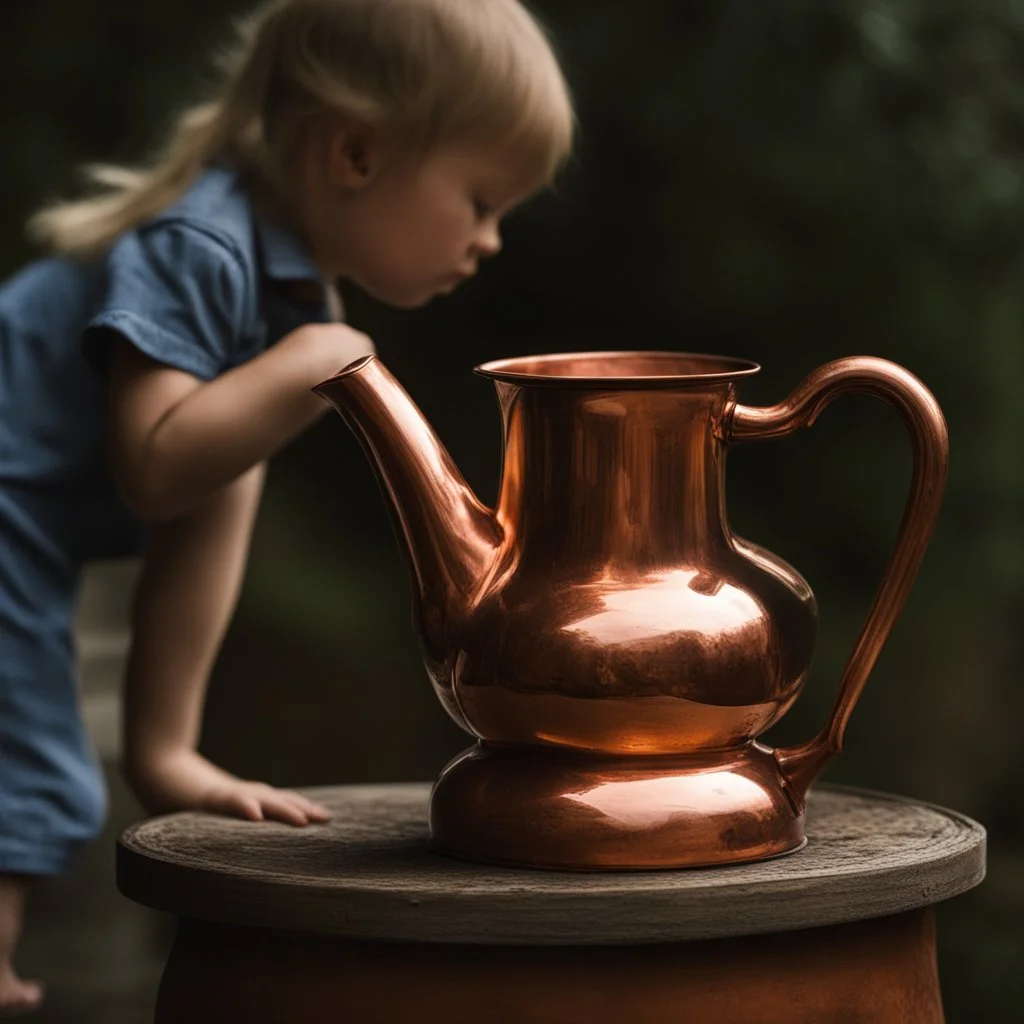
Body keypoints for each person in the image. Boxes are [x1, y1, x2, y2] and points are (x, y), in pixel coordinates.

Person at [0, 0, 574, 1011]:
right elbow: (155, 466)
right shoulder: (203, 250)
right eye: (480, 199)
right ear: (355, 151)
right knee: (31, 762)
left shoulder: (289, 297)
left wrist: (163, 751)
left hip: (30, 526)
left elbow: (213, 493)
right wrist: (308, 364)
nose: (488, 241)